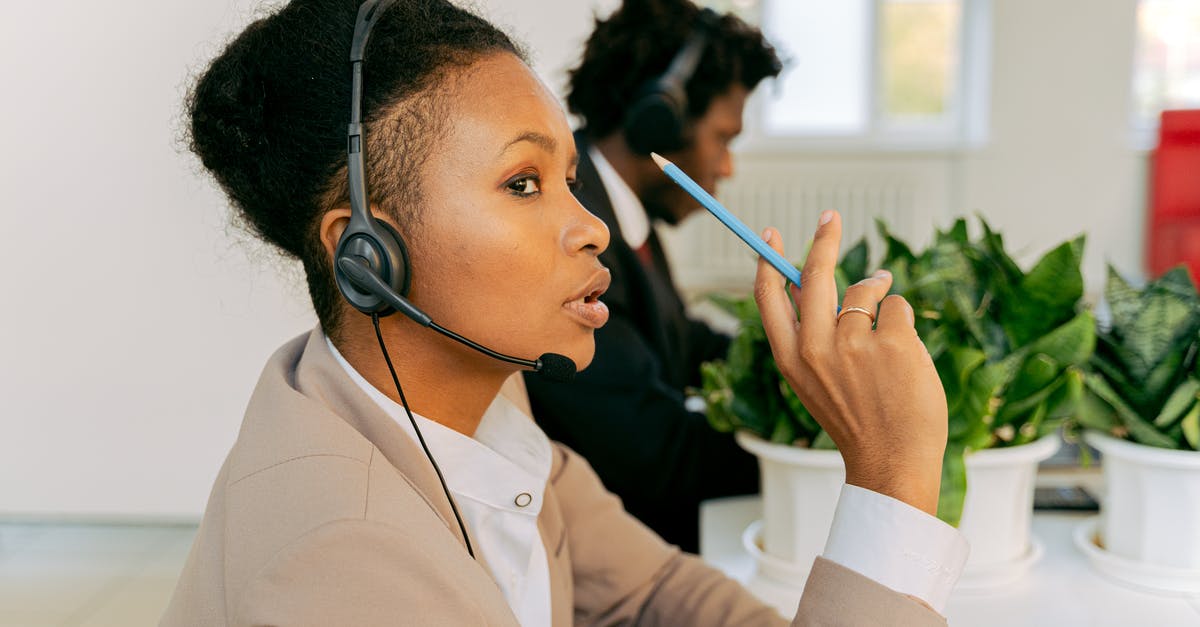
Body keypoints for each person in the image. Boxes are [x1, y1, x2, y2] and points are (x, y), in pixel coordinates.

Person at [162, 0, 967, 625]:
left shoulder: (490, 400)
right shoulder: (342, 559)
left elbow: (649, 589)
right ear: (366, 253)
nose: (590, 224)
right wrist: (892, 474)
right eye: (524, 182)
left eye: (571, 177)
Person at [523, 0, 781, 552]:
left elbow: (679, 339)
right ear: (655, 118)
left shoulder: (623, 213)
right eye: (724, 138)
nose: (728, 167)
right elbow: (658, 456)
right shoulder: (574, 240)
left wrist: (787, 358)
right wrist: (827, 437)